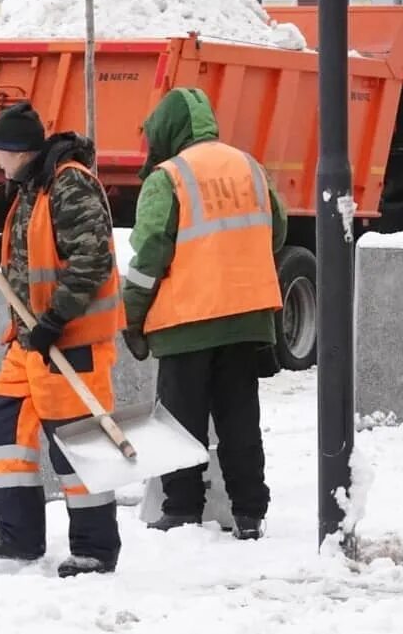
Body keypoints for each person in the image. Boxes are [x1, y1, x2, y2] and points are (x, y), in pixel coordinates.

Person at [0, 101, 124, 578]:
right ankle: (19, 535)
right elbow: (43, 246)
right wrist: (3, 244)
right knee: (0, 426)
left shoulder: (70, 183)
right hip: (30, 341)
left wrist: (55, 318)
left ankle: (96, 549)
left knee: (79, 446)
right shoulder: (35, 185)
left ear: (20, 151)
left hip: (69, 341)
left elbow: (91, 259)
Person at [121, 87, 286, 541]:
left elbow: (150, 253)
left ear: (167, 132)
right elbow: (277, 229)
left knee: (180, 422)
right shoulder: (248, 165)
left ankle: (182, 510)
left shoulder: (168, 176)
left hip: (187, 321)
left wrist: (132, 318)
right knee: (239, 419)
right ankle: (250, 512)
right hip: (246, 319)